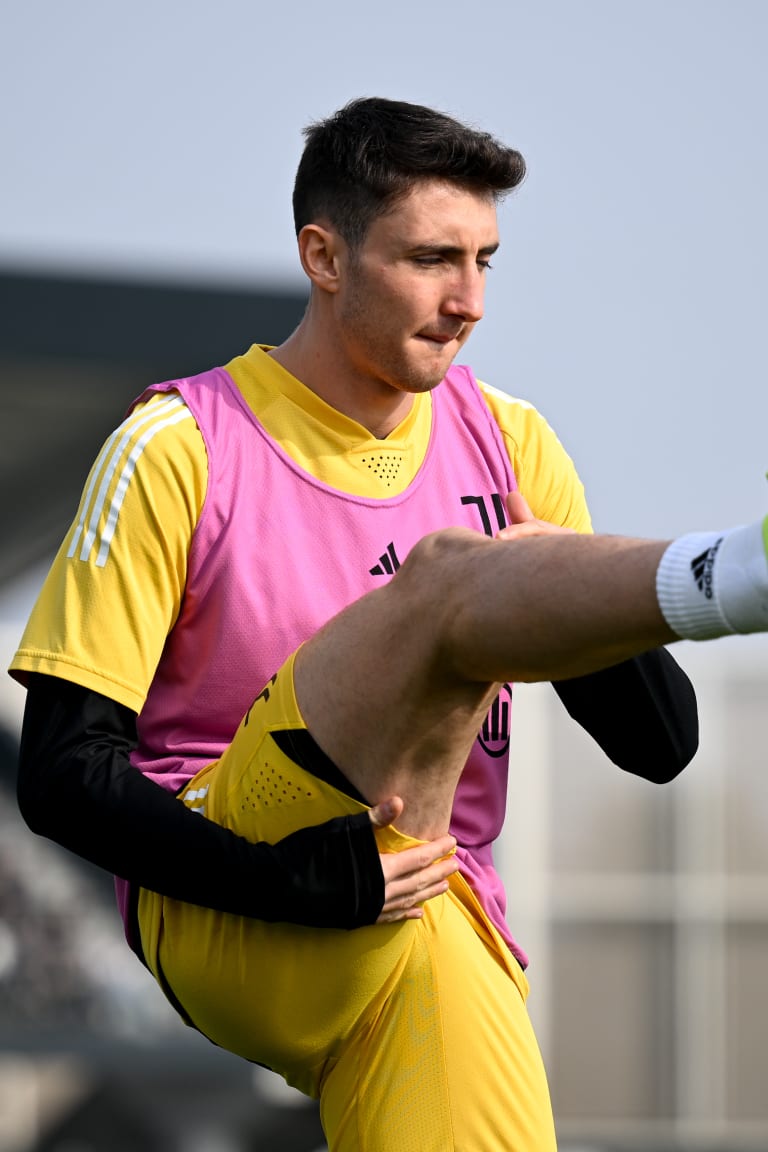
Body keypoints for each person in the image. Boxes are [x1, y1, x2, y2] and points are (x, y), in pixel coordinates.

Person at [11, 96, 764, 1150]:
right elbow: (57, 774)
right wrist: (287, 883)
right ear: (324, 256)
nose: (470, 303)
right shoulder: (178, 445)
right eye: (430, 259)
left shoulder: (510, 442)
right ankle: (743, 571)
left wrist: (549, 593)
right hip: (235, 898)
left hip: (431, 906)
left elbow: (660, 746)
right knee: (450, 580)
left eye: (486, 262)